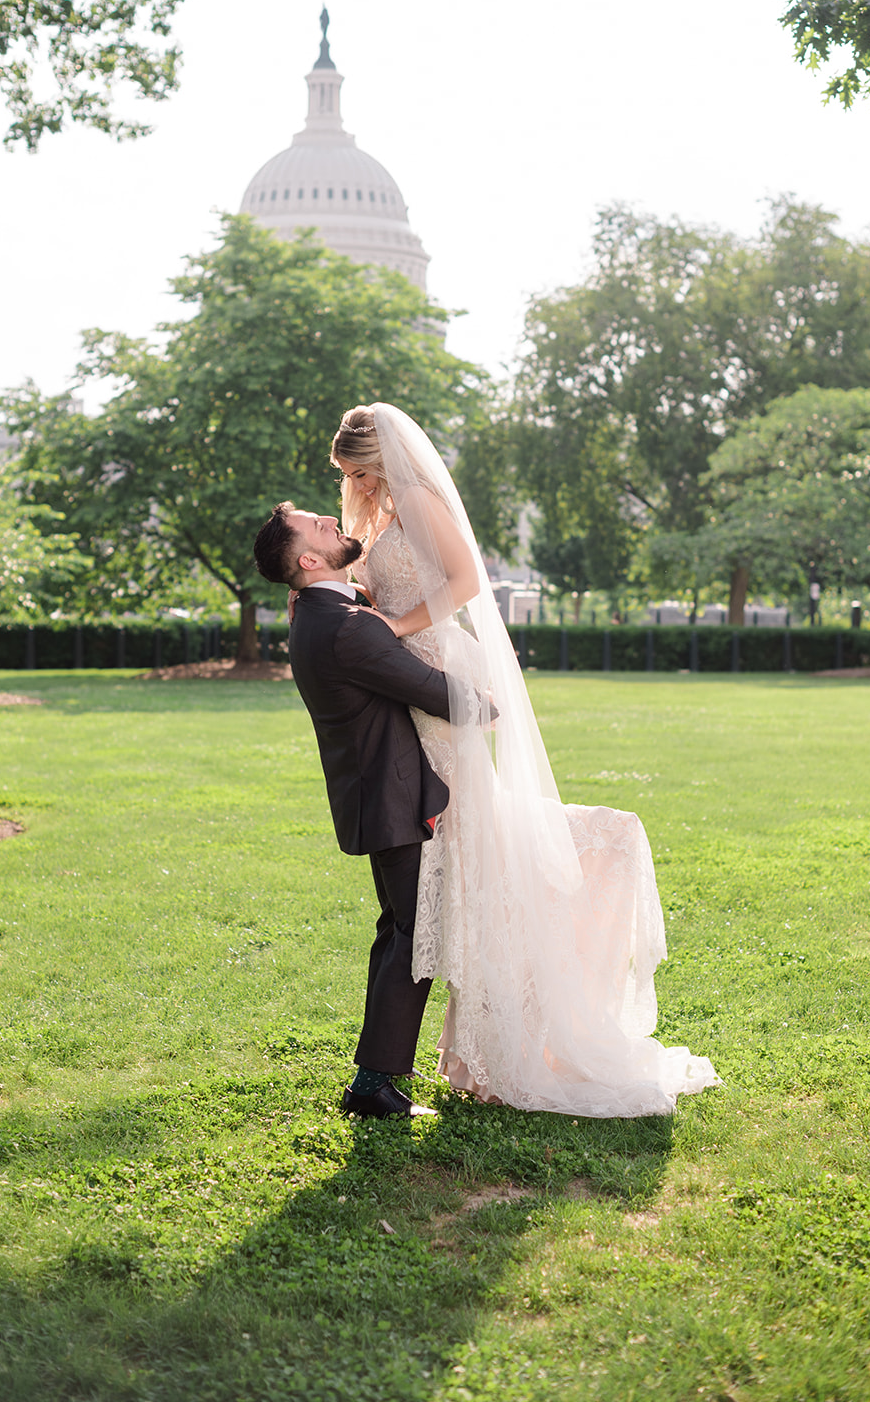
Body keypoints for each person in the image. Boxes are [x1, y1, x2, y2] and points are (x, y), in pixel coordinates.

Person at [330, 402, 720, 1117]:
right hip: (408, 682)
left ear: (381, 459)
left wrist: (396, 623)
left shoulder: (415, 497)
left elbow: (464, 582)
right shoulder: (387, 506)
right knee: (458, 868)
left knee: (466, 859)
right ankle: (460, 1044)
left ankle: (492, 1039)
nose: (352, 482)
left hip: (433, 671)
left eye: (357, 470)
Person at [253, 501, 487, 1119]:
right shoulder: (345, 627)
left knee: (403, 931)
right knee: (415, 935)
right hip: (393, 797)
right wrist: (490, 699)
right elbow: (431, 692)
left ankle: (375, 1079)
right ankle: (374, 1084)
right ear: (308, 560)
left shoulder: (319, 612)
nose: (335, 524)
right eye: (320, 529)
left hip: (376, 794)